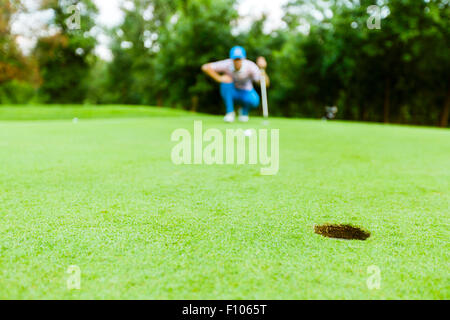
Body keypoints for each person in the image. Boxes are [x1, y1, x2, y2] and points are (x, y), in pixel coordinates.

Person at [201, 46, 270, 122]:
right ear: (231, 59)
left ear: (244, 58)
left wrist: (263, 70)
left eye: (239, 59)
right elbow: (205, 67)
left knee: (255, 101)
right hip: (232, 92)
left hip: (246, 92)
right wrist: (219, 78)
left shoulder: (250, 66)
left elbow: (265, 84)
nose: (237, 61)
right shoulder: (227, 64)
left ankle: (244, 112)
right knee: (226, 81)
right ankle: (230, 113)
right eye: (235, 59)